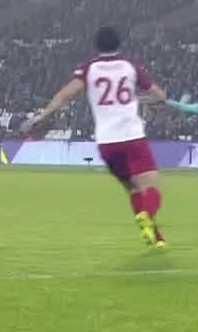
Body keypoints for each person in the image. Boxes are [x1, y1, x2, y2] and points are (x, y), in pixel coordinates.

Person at [20, 27, 169, 248]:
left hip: (107, 143)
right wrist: (142, 100)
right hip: (132, 137)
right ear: (119, 43)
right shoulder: (130, 66)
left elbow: (64, 95)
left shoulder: (89, 69)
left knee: (133, 188)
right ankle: (147, 216)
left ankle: (156, 238)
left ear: (96, 46)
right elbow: (159, 95)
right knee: (152, 188)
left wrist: (41, 117)